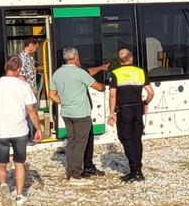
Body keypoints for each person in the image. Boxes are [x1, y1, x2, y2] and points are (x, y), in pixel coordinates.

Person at [0, 56, 42, 205]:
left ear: (5, 67)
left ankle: (3, 184)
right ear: (19, 69)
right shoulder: (24, 85)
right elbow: (31, 110)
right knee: (19, 163)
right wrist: (38, 128)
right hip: (19, 130)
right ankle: (20, 196)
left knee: (0, 164)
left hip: (0, 131)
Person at [48, 47, 107, 182]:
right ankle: (76, 174)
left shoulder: (57, 73)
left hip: (67, 113)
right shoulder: (79, 73)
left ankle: (71, 170)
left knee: (71, 143)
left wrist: (64, 102)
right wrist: (104, 87)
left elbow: (51, 94)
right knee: (80, 143)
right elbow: (98, 87)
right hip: (80, 113)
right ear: (75, 57)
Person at [109, 47, 155, 183]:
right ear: (131, 58)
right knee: (136, 138)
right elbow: (151, 93)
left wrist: (111, 113)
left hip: (124, 110)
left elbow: (112, 95)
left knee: (126, 138)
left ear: (119, 60)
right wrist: (145, 103)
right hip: (137, 109)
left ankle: (135, 171)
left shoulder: (115, 73)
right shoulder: (140, 72)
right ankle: (137, 168)